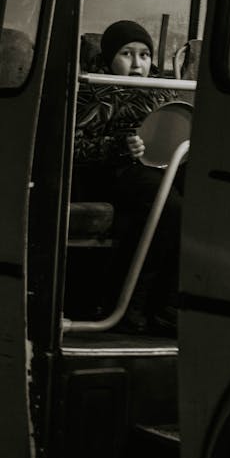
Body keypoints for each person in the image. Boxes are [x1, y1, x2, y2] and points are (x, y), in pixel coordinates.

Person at [73, 20, 184, 335]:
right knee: (168, 205)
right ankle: (133, 305)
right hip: (111, 173)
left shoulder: (164, 92)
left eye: (145, 55)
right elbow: (71, 148)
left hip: (162, 169)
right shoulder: (92, 91)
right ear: (110, 58)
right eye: (127, 54)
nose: (138, 64)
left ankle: (172, 305)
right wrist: (119, 146)